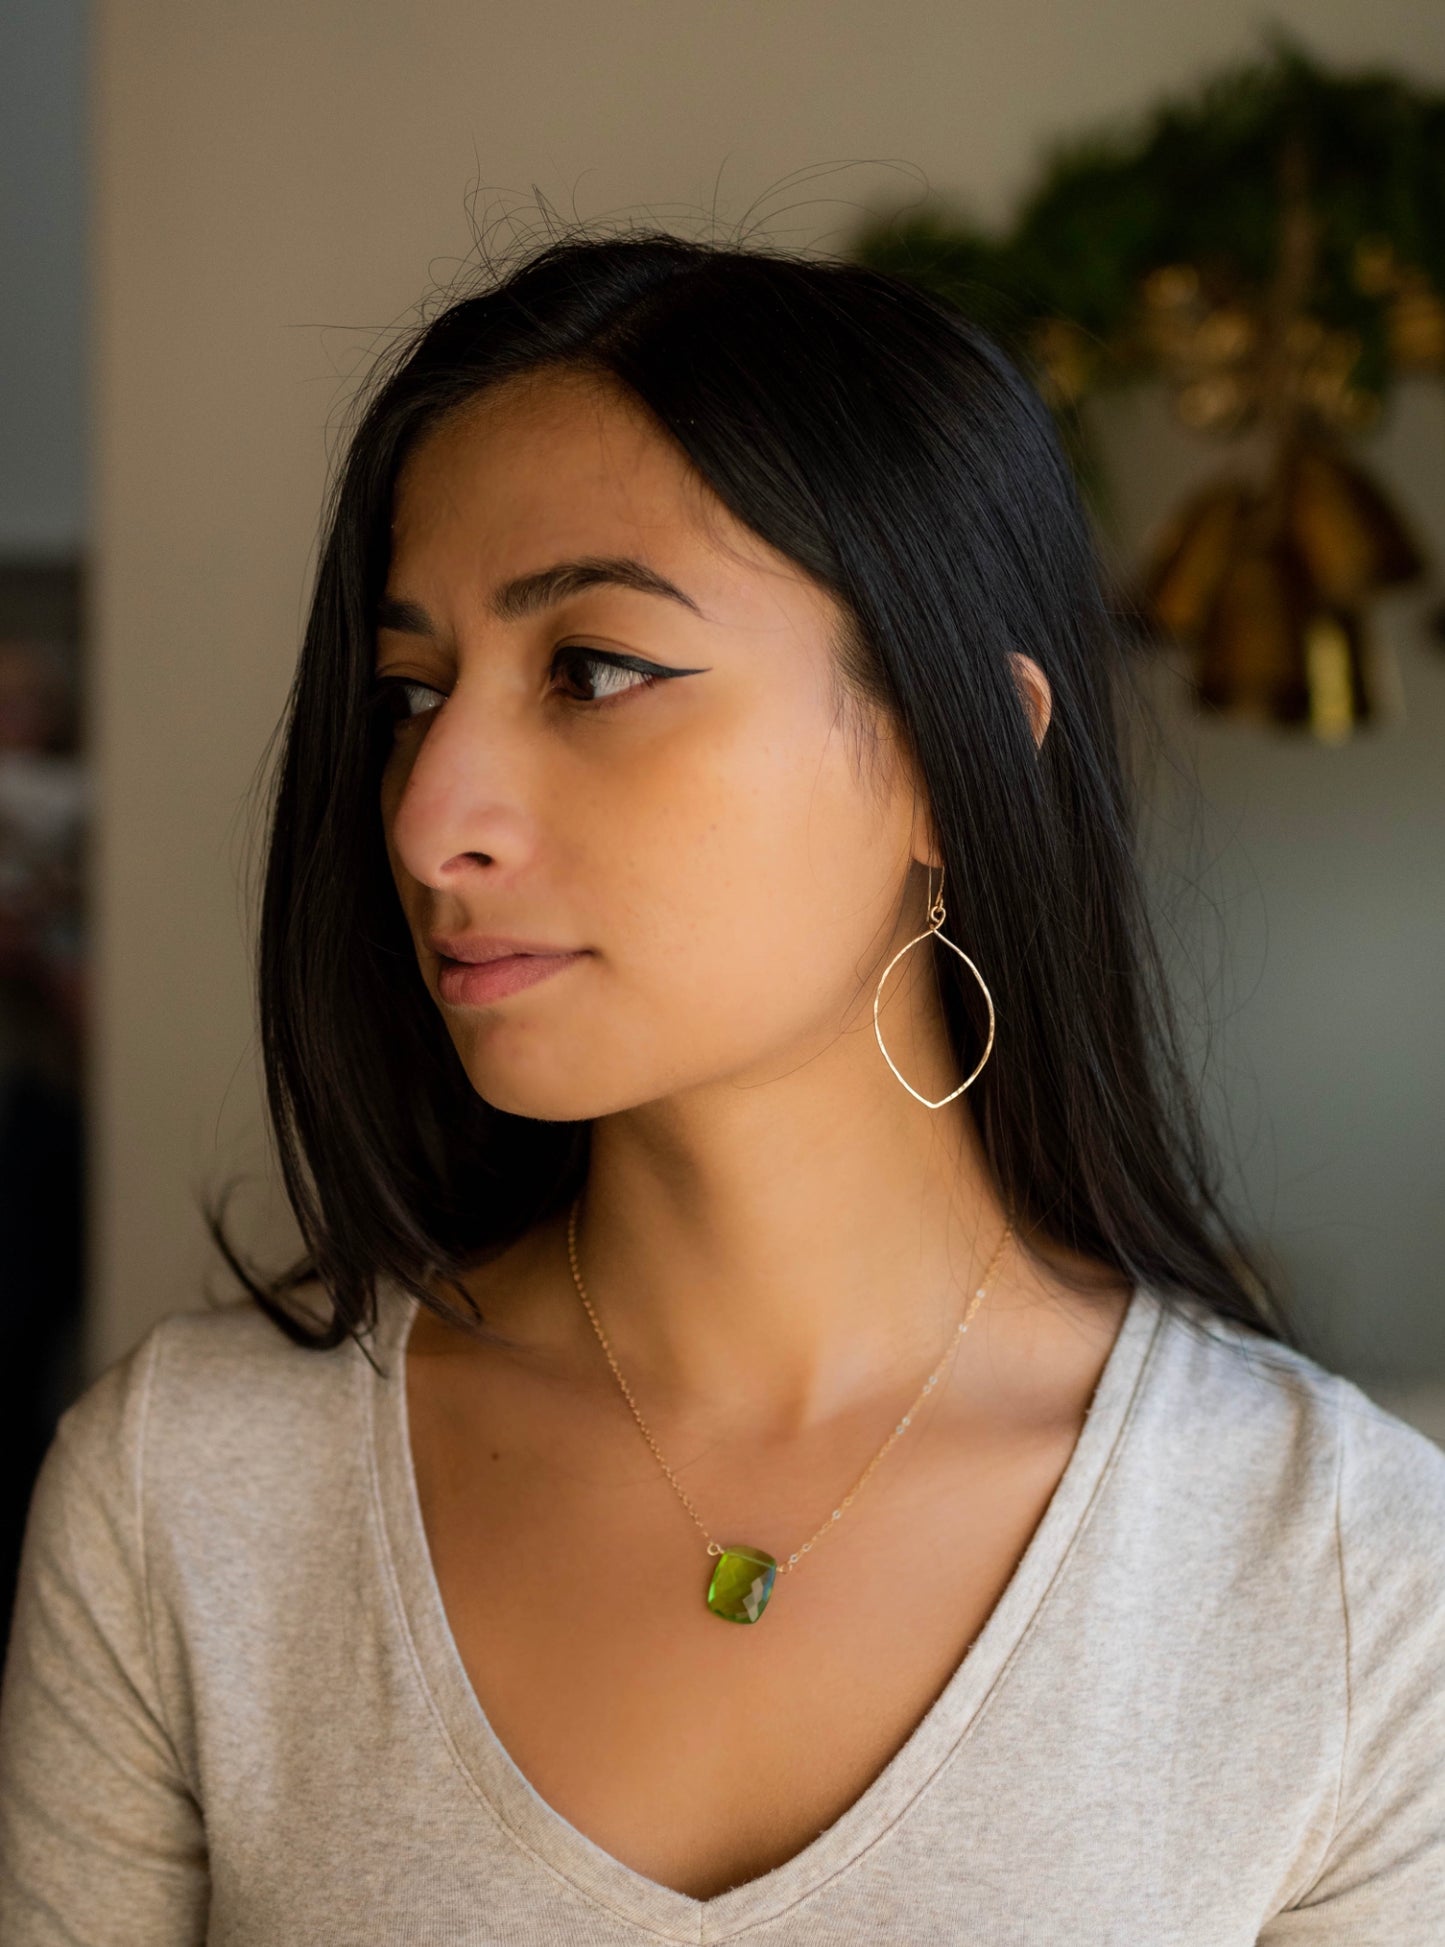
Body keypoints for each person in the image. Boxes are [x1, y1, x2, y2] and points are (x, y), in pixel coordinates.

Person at [1, 228, 1442, 1942]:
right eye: (407, 693)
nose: (427, 814)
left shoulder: (1348, 1577)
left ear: (951, 755)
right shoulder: (188, 1495)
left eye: (594, 671)